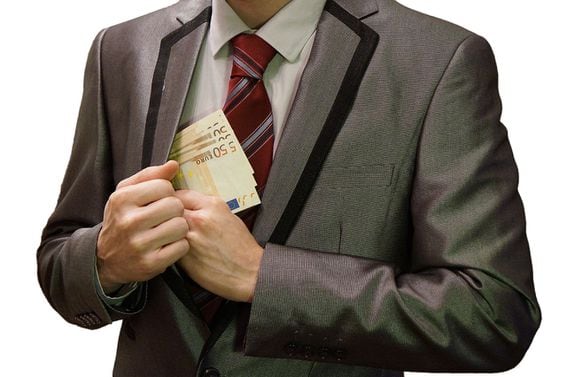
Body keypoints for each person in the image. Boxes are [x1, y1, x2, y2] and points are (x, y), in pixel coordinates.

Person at [37, 0, 541, 376]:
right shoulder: (123, 49)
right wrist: (105, 263)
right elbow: (60, 261)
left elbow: (492, 314)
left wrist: (265, 278)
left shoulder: (438, 61)